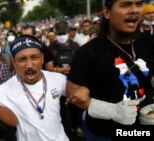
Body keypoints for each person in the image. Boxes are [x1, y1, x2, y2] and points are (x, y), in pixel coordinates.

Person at [66, 0, 154, 140]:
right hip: (105, 135)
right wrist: (111, 111)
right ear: (107, 12)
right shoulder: (89, 52)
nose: (135, 10)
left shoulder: (150, 41)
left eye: (138, 4)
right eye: (126, 5)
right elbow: (72, 93)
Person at [0, 35, 70, 141]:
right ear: (14, 63)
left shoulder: (58, 79)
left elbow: (78, 93)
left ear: (42, 58)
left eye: (34, 57)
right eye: (22, 59)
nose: (29, 65)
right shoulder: (3, 91)